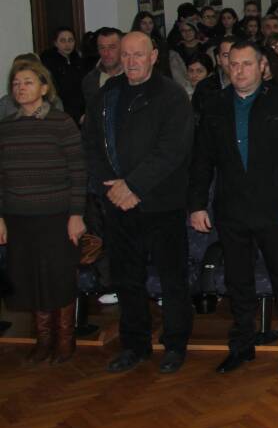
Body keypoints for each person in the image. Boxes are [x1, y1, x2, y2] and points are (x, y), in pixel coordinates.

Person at [188, 41, 278, 377]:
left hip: (277, 209)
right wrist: (197, 205)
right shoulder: (215, 104)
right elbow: (202, 160)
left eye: (246, 64)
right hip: (232, 209)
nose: (239, 70)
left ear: (262, 66)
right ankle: (242, 346)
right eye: (233, 64)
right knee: (238, 281)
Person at [83, 32, 195, 374]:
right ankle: (135, 345)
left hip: (162, 203)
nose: (131, 61)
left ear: (153, 56)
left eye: (138, 54)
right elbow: (93, 145)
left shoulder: (172, 96)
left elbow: (172, 150)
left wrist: (133, 186)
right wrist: (112, 188)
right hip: (118, 205)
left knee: (172, 280)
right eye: (126, 54)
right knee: (126, 279)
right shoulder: (107, 95)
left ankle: (175, 345)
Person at [0, 60, 86, 364]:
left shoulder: (62, 123)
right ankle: (43, 339)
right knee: (29, 280)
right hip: (18, 217)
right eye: (16, 83)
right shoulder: (5, 127)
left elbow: (78, 171)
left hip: (56, 216)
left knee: (58, 277)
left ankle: (65, 339)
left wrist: (77, 214)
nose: (20, 88)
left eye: (27, 82)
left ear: (44, 87)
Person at [40, 27, 87, 123]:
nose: (67, 44)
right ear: (55, 43)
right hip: (62, 112)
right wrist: (76, 115)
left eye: (70, 40)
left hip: (83, 111)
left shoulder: (79, 61)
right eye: (63, 41)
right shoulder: (49, 64)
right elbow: (55, 93)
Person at [82, 27, 124, 120]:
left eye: (112, 47)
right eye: (102, 47)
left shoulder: (134, 76)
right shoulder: (89, 80)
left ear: (122, 48)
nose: (106, 53)